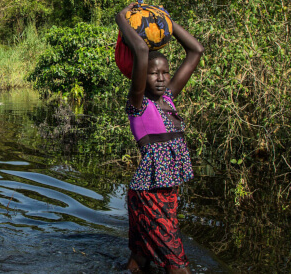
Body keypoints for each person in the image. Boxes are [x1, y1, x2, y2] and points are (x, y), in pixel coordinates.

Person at [116, 2, 204, 273]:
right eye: (153, 73)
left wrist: (165, 21)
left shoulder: (169, 99)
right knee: (178, 265)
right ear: (141, 75)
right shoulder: (138, 104)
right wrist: (122, 18)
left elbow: (196, 50)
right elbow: (141, 50)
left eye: (165, 72)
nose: (161, 78)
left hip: (166, 192)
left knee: (140, 261)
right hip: (149, 194)